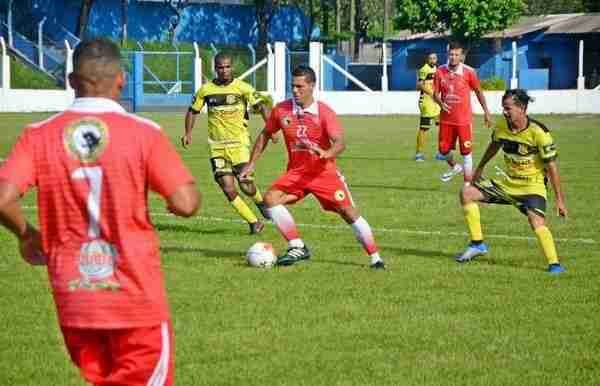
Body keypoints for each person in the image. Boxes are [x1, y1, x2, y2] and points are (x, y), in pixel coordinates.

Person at [0, 38, 200, 385]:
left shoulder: (37, 136)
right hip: (133, 299)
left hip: (75, 302)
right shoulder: (144, 134)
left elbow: (3, 197)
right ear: (121, 79)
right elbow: (185, 203)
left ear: (70, 80)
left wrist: (26, 234)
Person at [239, 65, 385, 269]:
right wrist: (251, 163)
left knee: (348, 212)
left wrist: (327, 153)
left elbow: (340, 142)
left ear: (312, 86)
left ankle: (376, 258)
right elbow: (265, 134)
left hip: (323, 173)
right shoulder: (281, 110)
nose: (295, 91)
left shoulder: (324, 113)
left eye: (300, 86)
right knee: (270, 200)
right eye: (293, 86)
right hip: (297, 173)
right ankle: (297, 246)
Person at [457, 89, 567, 274]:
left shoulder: (539, 133)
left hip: (532, 187)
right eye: (503, 108)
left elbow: (552, 167)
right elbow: (494, 145)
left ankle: (554, 265)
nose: (505, 112)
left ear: (522, 108)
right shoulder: (501, 127)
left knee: (536, 222)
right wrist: (480, 168)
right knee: (466, 193)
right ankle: (478, 244)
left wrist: (560, 200)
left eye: (508, 108)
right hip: (508, 185)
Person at [182, 52, 271, 234]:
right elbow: (192, 111)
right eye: (220, 67)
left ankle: (261, 203)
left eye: (227, 67)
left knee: (246, 186)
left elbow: (262, 106)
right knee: (227, 187)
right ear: (215, 69)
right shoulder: (205, 90)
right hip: (217, 147)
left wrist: (271, 129)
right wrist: (188, 133)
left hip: (239, 145)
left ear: (233, 68)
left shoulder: (243, 88)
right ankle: (254, 222)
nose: (224, 70)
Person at [433, 41, 492, 183]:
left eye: (456, 54)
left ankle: (467, 184)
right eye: (451, 54)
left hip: (463, 121)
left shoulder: (469, 72)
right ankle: (455, 167)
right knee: (443, 151)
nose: (453, 57)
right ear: (448, 54)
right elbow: (435, 94)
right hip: (446, 120)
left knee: (466, 152)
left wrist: (486, 112)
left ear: (461, 56)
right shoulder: (440, 71)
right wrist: (440, 103)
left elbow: (478, 92)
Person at [415, 52, 441, 162]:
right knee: (424, 128)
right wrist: (431, 93)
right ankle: (418, 154)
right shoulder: (424, 69)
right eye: (431, 58)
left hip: (435, 102)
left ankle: (441, 152)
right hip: (426, 101)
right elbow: (419, 85)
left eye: (434, 58)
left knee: (442, 126)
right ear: (427, 59)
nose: (433, 60)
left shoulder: (437, 69)